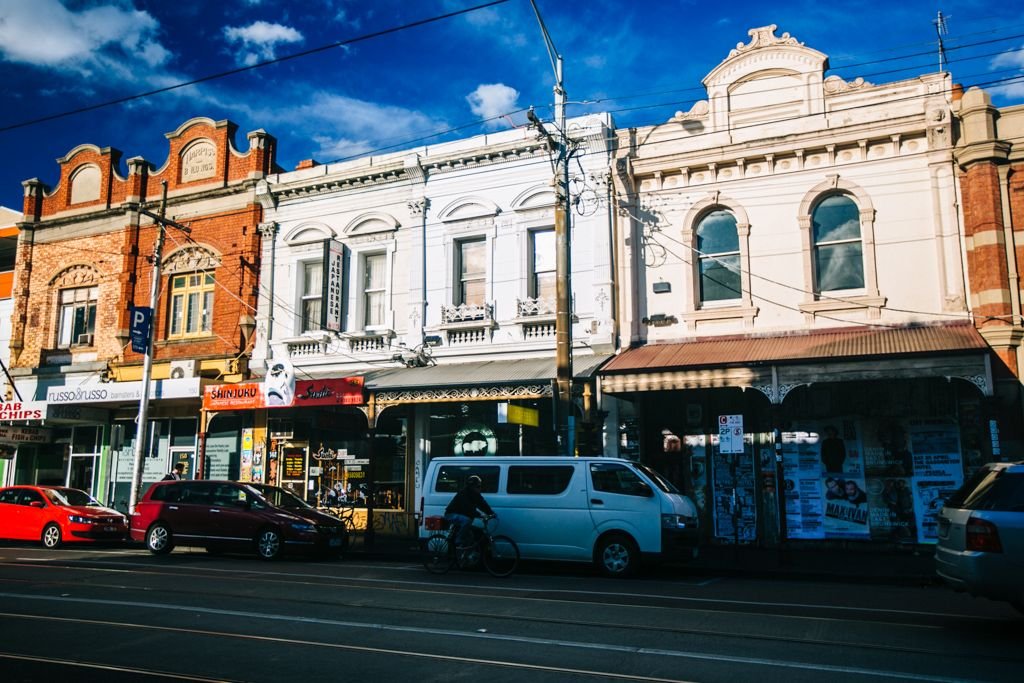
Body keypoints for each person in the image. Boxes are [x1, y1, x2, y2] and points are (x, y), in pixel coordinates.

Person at [444, 474, 495, 549]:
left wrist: (491, 513)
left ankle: (462, 551)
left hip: (460, 514)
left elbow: (482, 503)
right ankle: (459, 540)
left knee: (470, 533)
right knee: (467, 520)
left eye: (480, 486)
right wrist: (480, 515)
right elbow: (467, 508)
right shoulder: (463, 494)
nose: (480, 488)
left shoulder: (475, 494)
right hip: (451, 514)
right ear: (472, 486)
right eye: (478, 486)